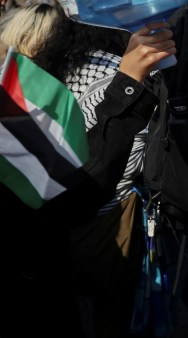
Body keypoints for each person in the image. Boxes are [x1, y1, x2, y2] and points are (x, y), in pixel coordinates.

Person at [0, 23, 170, 337]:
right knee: (110, 307)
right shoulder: (104, 73)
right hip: (95, 219)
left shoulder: (50, 69)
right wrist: (129, 84)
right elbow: (85, 182)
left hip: (63, 236)